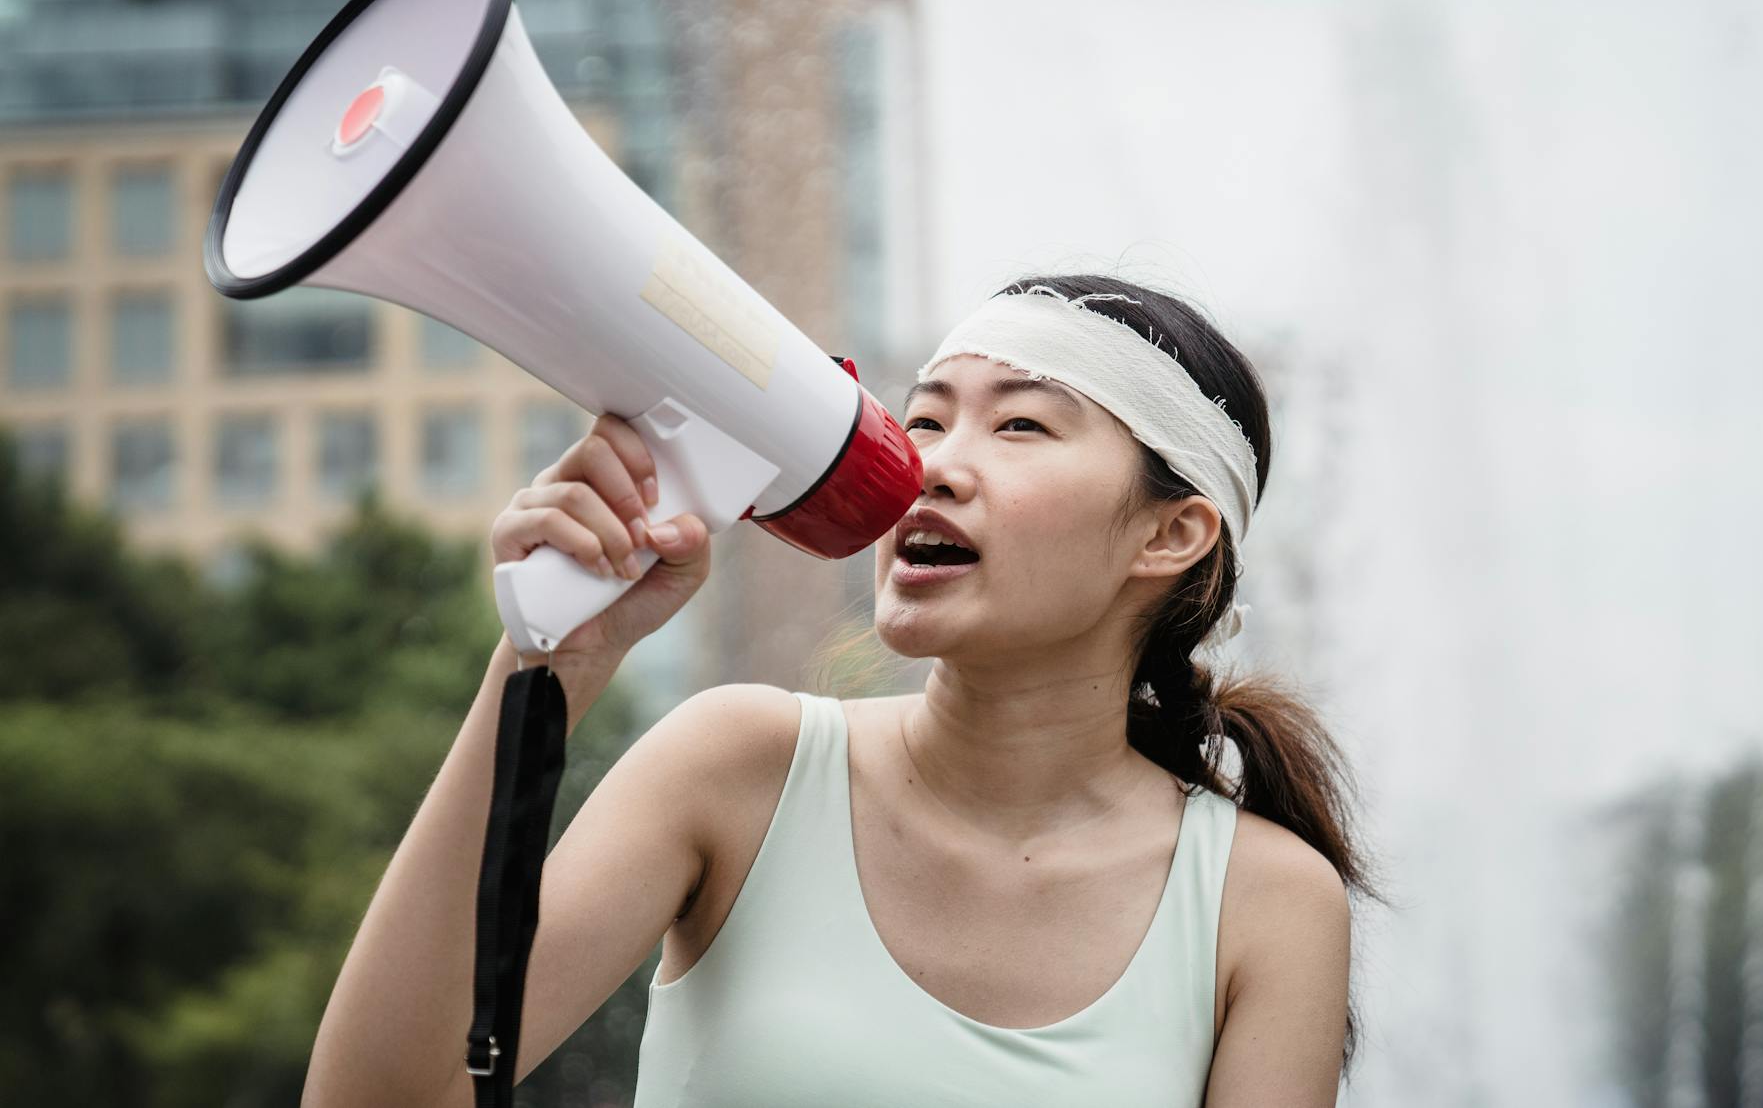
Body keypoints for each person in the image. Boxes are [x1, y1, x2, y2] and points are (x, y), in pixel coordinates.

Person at [301, 271, 1378, 1108]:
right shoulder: (740, 766)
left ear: (1170, 533)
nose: (932, 466)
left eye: (1019, 425)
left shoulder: (1263, 900)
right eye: (923, 419)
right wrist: (542, 668)